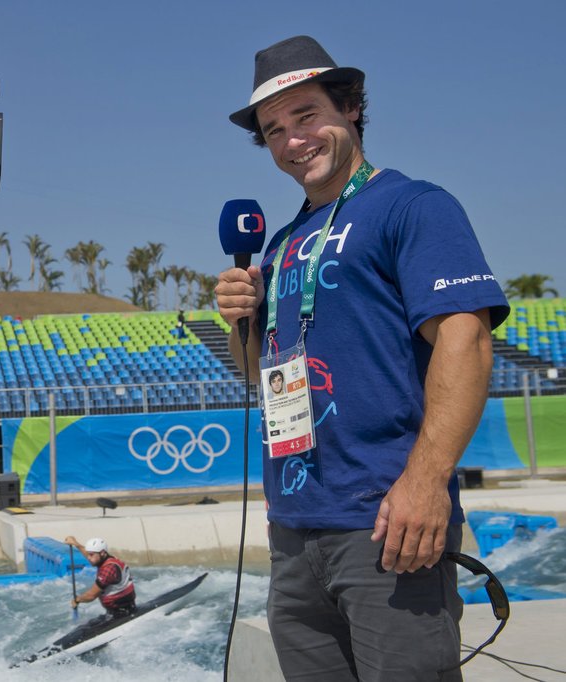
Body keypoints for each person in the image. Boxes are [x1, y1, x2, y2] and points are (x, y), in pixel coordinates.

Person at [216, 35, 509, 681]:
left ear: (349, 107)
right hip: (294, 532)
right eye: (273, 130)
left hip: (388, 525)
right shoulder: (283, 244)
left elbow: (467, 341)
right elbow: (266, 381)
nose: (292, 141)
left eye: (306, 115)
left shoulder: (412, 205)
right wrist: (241, 323)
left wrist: (426, 482)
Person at [64, 536, 136, 619]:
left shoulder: (108, 570)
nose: (88, 558)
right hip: (118, 609)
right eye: (89, 554)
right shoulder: (107, 559)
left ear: (102, 553)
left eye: (91, 555)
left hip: (121, 613)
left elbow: (91, 595)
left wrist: (77, 600)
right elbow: (90, 554)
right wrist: (76, 544)